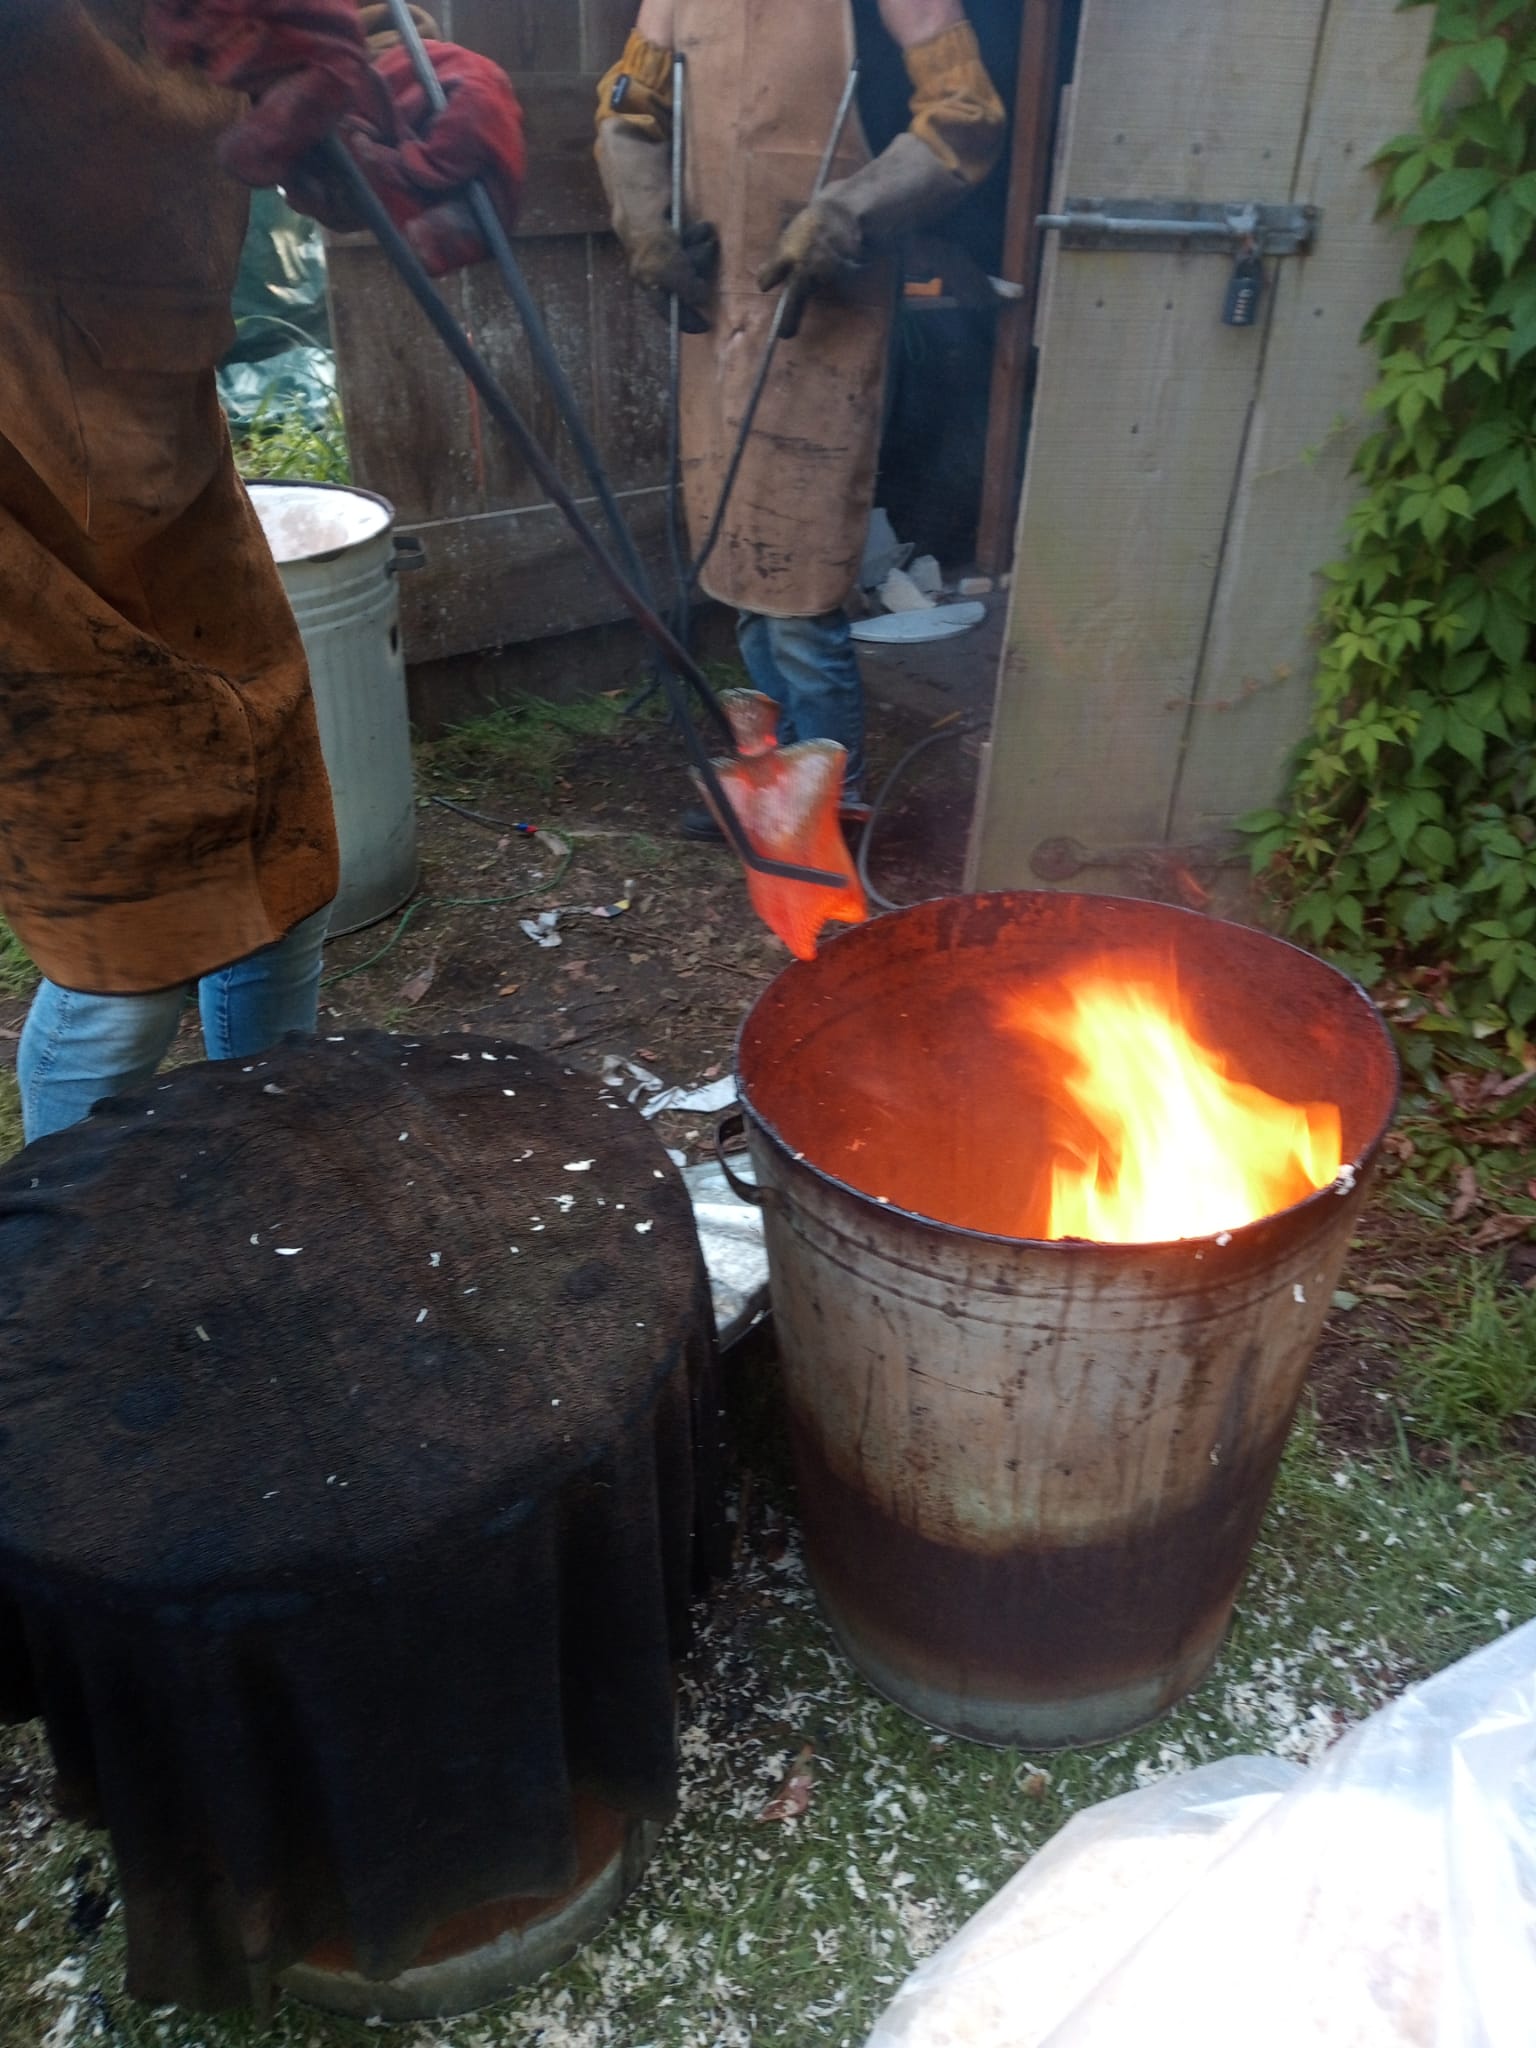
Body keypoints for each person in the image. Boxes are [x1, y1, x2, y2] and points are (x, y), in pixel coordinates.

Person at [0, 0, 524, 1144]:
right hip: (16, 475)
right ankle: (70, 1275)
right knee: (125, 935)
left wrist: (392, 65)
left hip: (161, 420)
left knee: (286, 855)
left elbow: (337, 25)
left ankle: (279, 1162)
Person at [594, 0, 1004, 837]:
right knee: (745, 573)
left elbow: (966, 115)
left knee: (803, 591)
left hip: (827, 314)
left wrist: (851, 208)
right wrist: (642, 217)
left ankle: (829, 807)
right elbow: (629, 110)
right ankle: (773, 785)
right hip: (718, 316)